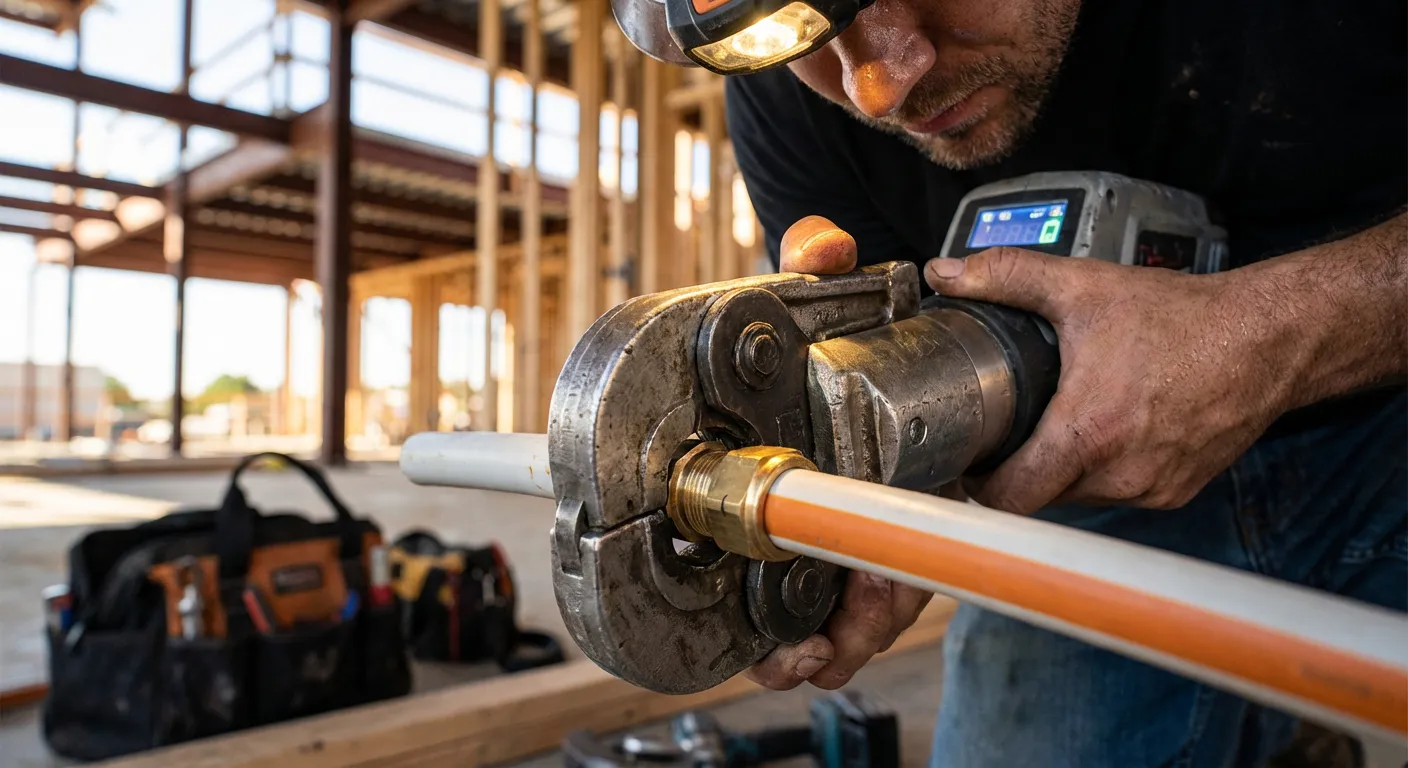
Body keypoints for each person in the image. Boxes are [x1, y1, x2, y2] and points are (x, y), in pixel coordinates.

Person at [713, 0, 1407, 765]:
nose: (877, 85)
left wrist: (1270, 339)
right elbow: (879, 354)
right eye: (815, 24)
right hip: (1084, 473)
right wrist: (870, 484)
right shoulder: (777, 78)